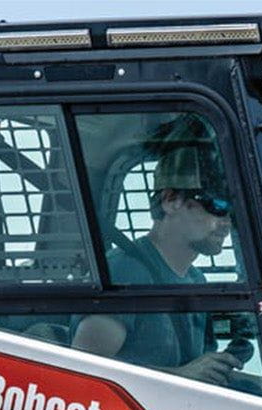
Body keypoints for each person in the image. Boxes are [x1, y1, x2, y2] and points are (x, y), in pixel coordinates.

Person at [73, 121, 247, 386]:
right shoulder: (124, 274)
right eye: (217, 204)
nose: (226, 221)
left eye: (232, 210)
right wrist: (181, 377)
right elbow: (82, 374)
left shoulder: (196, 282)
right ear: (170, 200)